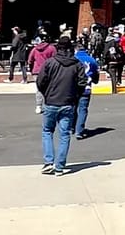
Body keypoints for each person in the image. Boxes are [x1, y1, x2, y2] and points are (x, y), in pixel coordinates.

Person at [35, 36, 90, 176]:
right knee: (64, 135)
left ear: (58, 48)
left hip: (51, 101)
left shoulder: (50, 63)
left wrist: (47, 94)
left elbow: (40, 82)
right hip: (68, 103)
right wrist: (74, 96)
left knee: (47, 131)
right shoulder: (77, 64)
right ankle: (59, 166)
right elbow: (82, 83)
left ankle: (49, 162)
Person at [72, 40, 100, 139]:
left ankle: (72, 127)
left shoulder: (73, 59)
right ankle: (79, 130)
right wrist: (95, 80)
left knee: (73, 108)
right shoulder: (91, 60)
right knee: (83, 109)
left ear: (76, 50)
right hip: (86, 87)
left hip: (73, 88)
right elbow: (96, 73)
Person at [28, 37, 56, 114]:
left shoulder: (35, 49)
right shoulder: (52, 48)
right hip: (48, 71)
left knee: (39, 89)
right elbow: (56, 58)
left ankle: (38, 106)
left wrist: (31, 69)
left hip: (37, 71)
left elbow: (30, 60)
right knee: (49, 88)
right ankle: (48, 104)